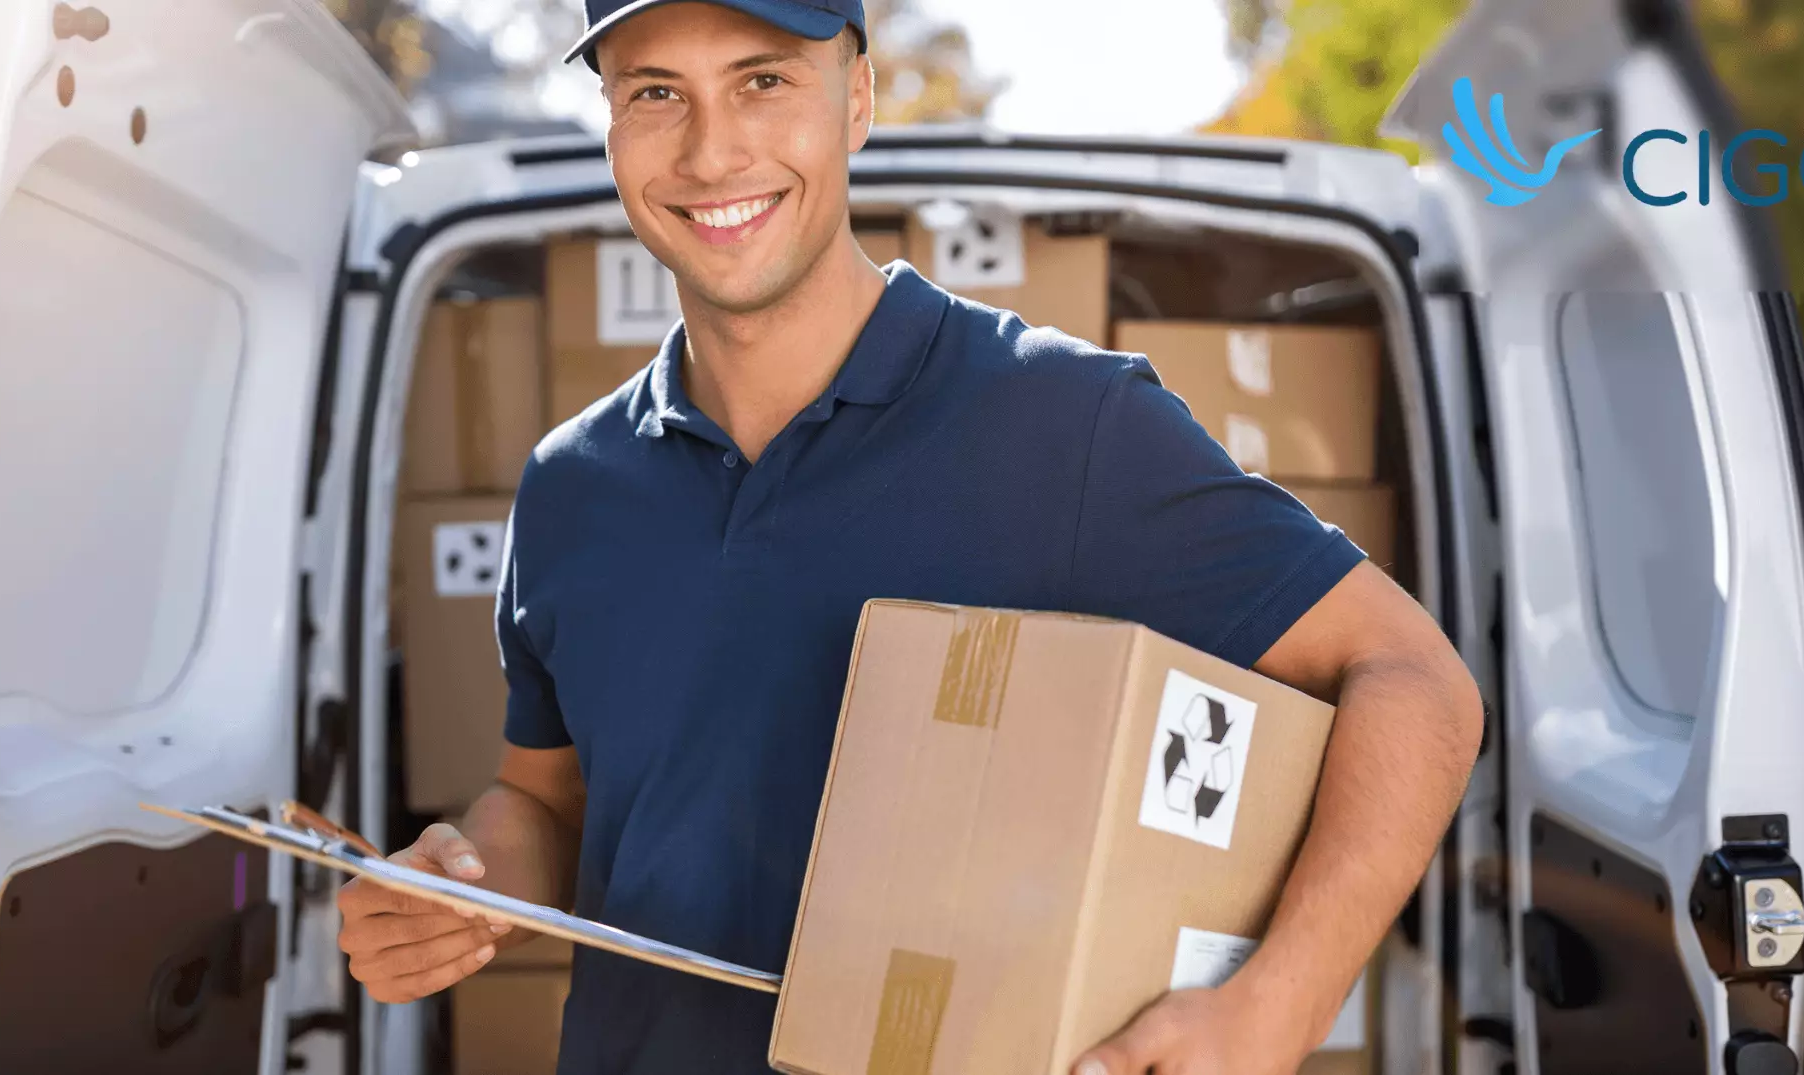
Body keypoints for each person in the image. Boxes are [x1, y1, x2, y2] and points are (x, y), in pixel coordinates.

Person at [336, 1, 1485, 1072]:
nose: (709, 151)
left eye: (763, 80)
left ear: (859, 101)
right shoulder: (569, 484)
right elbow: (552, 803)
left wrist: (1272, 1006)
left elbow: (1414, 681)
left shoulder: (1061, 425)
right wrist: (460, 881)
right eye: (655, 93)